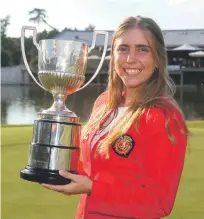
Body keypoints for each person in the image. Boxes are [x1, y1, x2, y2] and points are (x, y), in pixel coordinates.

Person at [42, 15, 189, 219]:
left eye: (142, 49)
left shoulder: (163, 117)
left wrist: (93, 188)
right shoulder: (104, 103)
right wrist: (55, 164)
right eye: (123, 48)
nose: (131, 58)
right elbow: (94, 169)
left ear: (157, 58)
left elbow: (158, 202)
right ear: (113, 55)